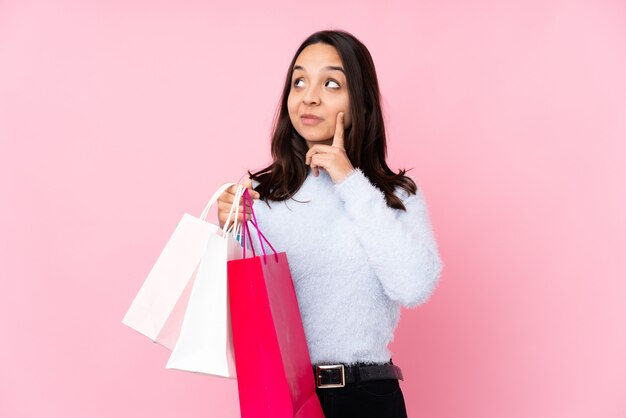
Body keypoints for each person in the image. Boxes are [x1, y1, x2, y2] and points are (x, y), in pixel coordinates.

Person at [217, 29, 443, 418]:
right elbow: (238, 319)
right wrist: (228, 232)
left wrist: (349, 180)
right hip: (282, 397)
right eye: (299, 81)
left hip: (369, 397)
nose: (310, 96)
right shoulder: (260, 196)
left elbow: (414, 286)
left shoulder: (394, 194)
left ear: (362, 103)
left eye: (331, 83)